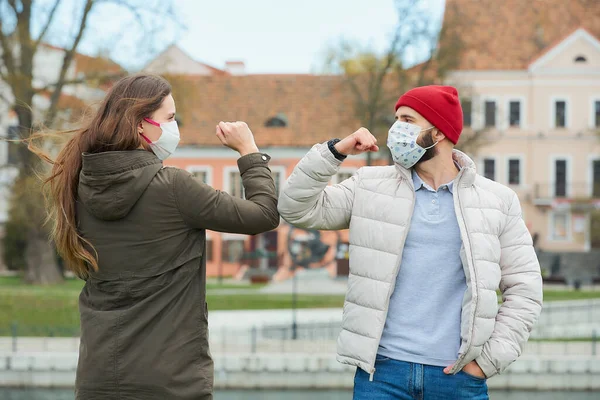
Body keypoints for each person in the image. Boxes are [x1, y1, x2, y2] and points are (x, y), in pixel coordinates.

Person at [278, 85, 543, 400]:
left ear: (439, 132)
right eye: (396, 119)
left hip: (458, 378)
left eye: (407, 119)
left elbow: (525, 290)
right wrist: (336, 152)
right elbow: (296, 208)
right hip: (382, 375)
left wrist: (485, 364)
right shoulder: (369, 185)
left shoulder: (498, 200)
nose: (395, 130)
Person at [31, 74, 279, 399]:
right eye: (171, 118)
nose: (176, 128)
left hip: (97, 380)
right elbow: (263, 214)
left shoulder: (78, 187)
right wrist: (248, 150)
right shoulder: (174, 187)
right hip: (169, 382)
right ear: (140, 125)